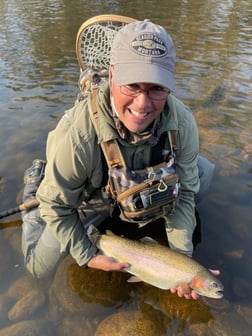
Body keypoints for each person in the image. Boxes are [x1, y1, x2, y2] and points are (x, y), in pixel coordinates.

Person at [22, 19, 217, 299]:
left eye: (156, 88)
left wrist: (181, 258)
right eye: (132, 85)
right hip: (92, 199)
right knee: (38, 267)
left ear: (169, 87)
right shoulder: (77, 135)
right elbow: (56, 207)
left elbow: (184, 193)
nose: (143, 103)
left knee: (204, 174)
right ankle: (35, 187)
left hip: (142, 189)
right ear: (112, 76)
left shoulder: (183, 122)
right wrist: (87, 255)